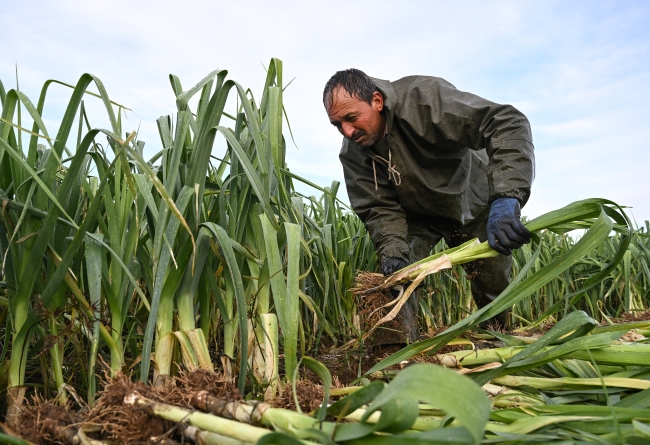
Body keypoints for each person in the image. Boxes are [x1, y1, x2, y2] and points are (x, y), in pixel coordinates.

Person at [323, 69, 534, 343]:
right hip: (418, 215)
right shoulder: (355, 153)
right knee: (397, 275)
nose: (347, 131)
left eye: (351, 118)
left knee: (492, 279)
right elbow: (378, 207)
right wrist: (393, 251)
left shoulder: (424, 101)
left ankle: (498, 340)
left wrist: (507, 195)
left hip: (472, 201)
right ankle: (397, 352)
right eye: (337, 124)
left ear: (377, 101)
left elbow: (505, 122)